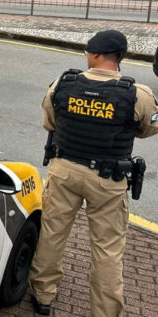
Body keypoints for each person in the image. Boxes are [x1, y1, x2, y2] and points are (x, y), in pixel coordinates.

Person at [28, 30, 158, 317]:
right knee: (108, 250)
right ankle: (105, 311)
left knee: (52, 235)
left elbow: (50, 121)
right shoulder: (137, 94)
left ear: (98, 55)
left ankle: (43, 295)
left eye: (89, 51)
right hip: (108, 179)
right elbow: (149, 127)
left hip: (64, 171)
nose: (86, 55)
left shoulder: (63, 84)